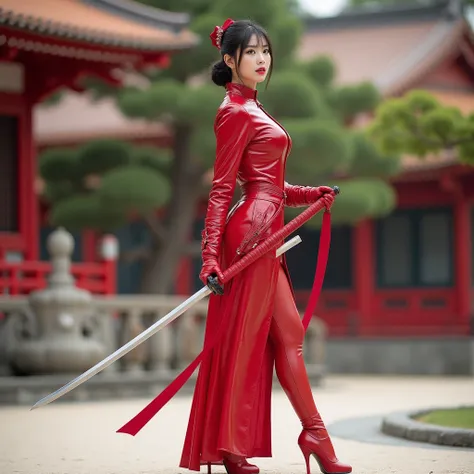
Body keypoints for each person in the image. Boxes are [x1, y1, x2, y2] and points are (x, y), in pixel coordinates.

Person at [118, 17, 352, 474]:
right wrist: (209, 255)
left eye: (265, 50)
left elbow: (270, 186)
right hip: (248, 238)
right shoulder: (233, 112)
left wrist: (312, 193)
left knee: (290, 338)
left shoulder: (256, 109)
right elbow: (223, 190)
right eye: (251, 52)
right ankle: (230, 446)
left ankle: (314, 435)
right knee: (246, 344)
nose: (262, 58)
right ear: (230, 60)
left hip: (267, 232)